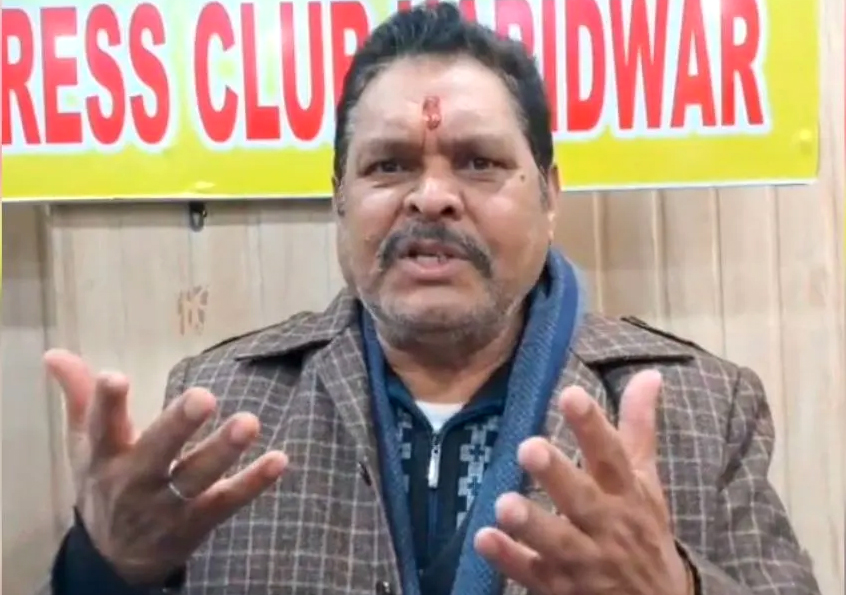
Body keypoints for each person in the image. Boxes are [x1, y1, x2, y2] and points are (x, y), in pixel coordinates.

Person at [40, 3, 819, 595]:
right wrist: (102, 568)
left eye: (479, 162)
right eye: (389, 165)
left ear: (550, 196)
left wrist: (679, 590)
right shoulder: (223, 408)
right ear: (339, 199)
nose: (432, 196)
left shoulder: (702, 408)